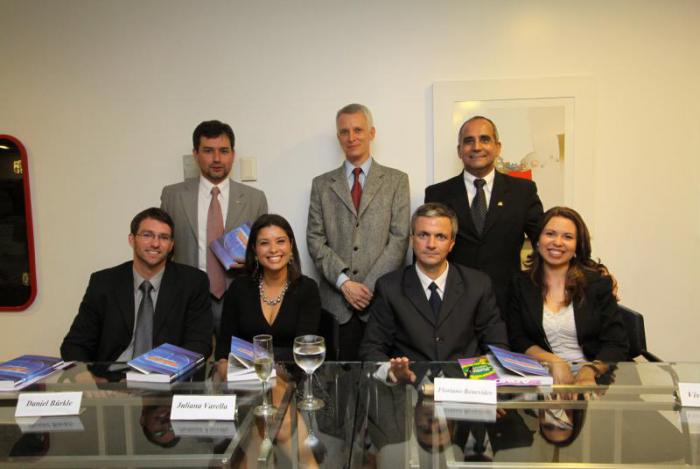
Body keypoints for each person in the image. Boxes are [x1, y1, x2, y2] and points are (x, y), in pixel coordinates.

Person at [359, 203, 508, 383]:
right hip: (410, 390)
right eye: (423, 235)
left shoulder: (478, 284)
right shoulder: (389, 287)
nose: (431, 244)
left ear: (452, 243)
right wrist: (392, 372)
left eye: (440, 237)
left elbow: (498, 348)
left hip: (466, 390)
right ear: (412, 240)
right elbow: (371, 349)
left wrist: (468, 382)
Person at [307, 103, 410, 360]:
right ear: (338, 137)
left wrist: (367, 287)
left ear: (371, 133)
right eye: (344, 132)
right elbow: (315, 239)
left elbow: (399, 239)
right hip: (336, 305)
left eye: (358, 130)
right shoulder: (321, 184)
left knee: (382, 378)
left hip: (381, 301)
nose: (351, 137)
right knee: (337, 379)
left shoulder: (397, 181)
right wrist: (345, 283)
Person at [425, 115, 543, 315]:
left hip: (508, 304)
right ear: (459, 150)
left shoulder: (523, 191)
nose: (476, 147)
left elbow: (544, 240)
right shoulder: (438, 194)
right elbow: (425, 251)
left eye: (485, 139)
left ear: (498, 147)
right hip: (452, 305)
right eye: (469, 141)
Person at [61, 208, 212, 362]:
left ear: (171, 245)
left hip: (167, 371)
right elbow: (75, 345)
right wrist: (89, 374)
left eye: (164, 237)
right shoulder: (104, 282)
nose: (155, 243)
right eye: (147, 235)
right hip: (112, 372)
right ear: (132, 239)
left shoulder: (192, 283)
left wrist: (167, 370)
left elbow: (199, 344)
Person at [161, 120, 268, 331]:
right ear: (195, 154)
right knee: (190, 352)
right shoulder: (173, 195)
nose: (217, 158)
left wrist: (251, 260)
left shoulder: (255, 198)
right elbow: (164, 247)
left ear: (233, 154)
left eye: (224, 151)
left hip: (239, 296)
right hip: (188, 297)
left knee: (237, 353)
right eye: (208, 151)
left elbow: (264, 249)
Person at [507, 206, 628, 385]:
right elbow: (517, 338)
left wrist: (589, 370)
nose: (558, 242)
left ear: (577, 245)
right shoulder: (520, 284)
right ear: (537, 240)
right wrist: (553, 360)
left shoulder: (597, 284)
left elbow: (616, 343)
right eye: (550, 234)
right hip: (542, 378)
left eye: (568, 237)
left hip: (594, 378)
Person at [215, 214, 321, 367]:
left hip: (291, 374)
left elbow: (304, 351)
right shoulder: (238, 288)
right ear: (254, 249)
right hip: (244, 375)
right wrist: (224, 366)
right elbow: (225, 347)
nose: (273, 249)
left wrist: (261, 363)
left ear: (291, 245)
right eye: (264, 243)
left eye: (280, 241)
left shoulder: (307, 288)